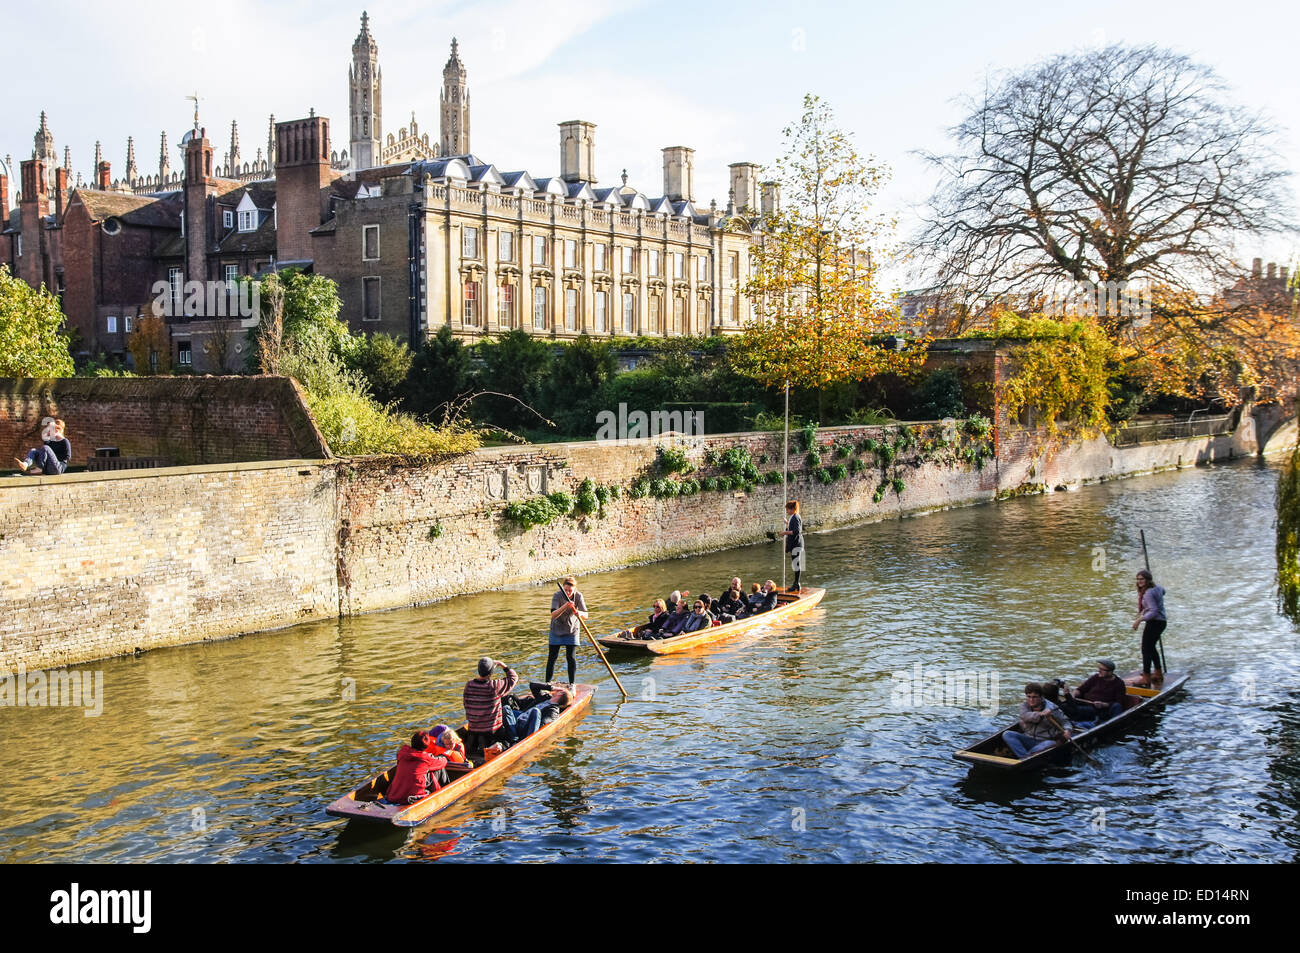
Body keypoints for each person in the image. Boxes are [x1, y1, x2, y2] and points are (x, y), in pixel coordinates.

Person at [1002, 682, 1072, 760]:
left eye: (1034, 697)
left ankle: (1023, 759)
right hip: (1028, 738)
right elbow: (1025, 716)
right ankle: (1025, 757)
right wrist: (1040, 714)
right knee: (1007, 734)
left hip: (1044, 740)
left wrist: (1067, 730)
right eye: (1029, 697)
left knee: (1050, 743)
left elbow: (1065, 722)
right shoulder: (1024, 706)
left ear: (1041, 697)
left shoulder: (1052, 708)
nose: (1031, 700)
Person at [463, 656, 519, 751]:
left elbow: (465, 704)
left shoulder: (469, 685)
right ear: (491, 672)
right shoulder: (494, 686)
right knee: (506, 709)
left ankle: (480, 743)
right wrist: (503, 665)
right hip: (493, 732)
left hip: (473, 731)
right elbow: (513, 678)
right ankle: (513, 741)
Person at [384, 730, 450, 804]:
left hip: (394, 795)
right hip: (412, 796)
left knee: (428, 771)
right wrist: (444, 757)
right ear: (425, 746)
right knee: (438, 769)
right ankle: (447, 792)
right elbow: (443, 763)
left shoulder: (402, 754)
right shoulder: (425, 759)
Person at [548, 575, 587, 685]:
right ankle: (547, 684)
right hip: (556, 629)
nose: (568, 592)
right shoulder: (557, 595)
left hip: (572, 630)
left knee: (571, 658)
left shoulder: (579, 596)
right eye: (566, 590)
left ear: (575, 589)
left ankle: (572, 684)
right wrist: (565, 606)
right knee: (552, 658)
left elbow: (586, 615)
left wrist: (580, 613)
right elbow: (554, 614)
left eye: (570, 590)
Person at [1132, 570, 1167, 688]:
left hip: (1155, 622)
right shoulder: (1157, 588)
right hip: (1161, 622)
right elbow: (1163, 591)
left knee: (1145, 649)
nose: (1139, 582)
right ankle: (1158, 672)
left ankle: (1146, 677)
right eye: (1138, 579)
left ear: (1148, 580)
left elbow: (1154, 610)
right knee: (1151, 648)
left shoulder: (1148, 593)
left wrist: (1140, 619)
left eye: (1142, 579)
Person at [780, 500, 805, 592]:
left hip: (796, 544)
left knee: (796, 564)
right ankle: (796, 583)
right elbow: (793, 527)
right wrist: (787, 523)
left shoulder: (796, 517)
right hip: (794, 544)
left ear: (792, 509)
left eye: (788, 509)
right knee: (795, 563)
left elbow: (797, 531)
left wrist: (784, 532)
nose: (786, 511)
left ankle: (796, 584)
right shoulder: (793, 517)